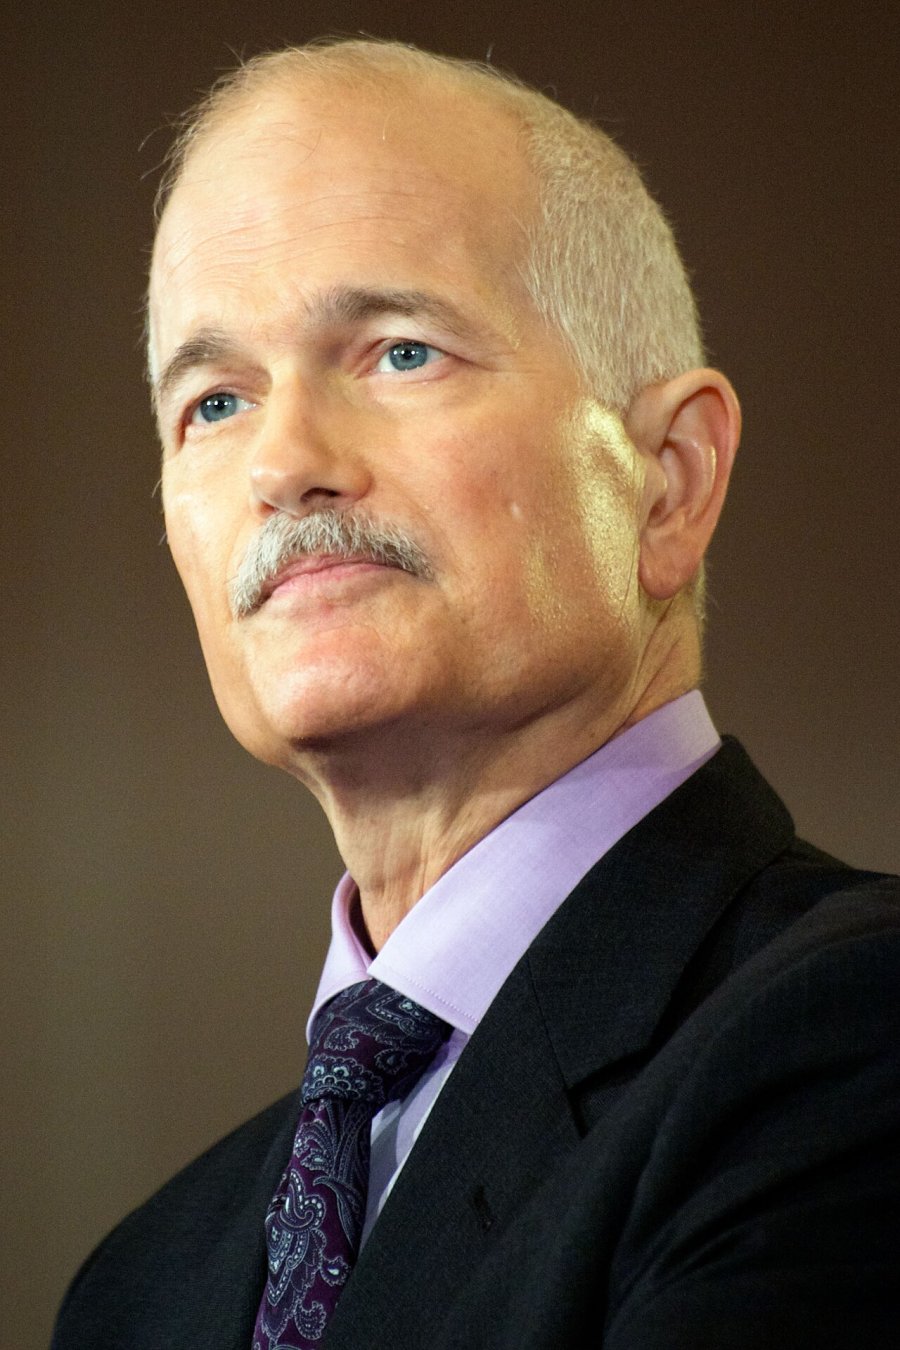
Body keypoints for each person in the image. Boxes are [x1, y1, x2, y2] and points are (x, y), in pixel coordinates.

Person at [52, 38, 900, 1350]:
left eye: (400, 353)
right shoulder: (136, 1285)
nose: (282, 461)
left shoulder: (852, 1041)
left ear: (669, 481)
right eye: (214, 402)